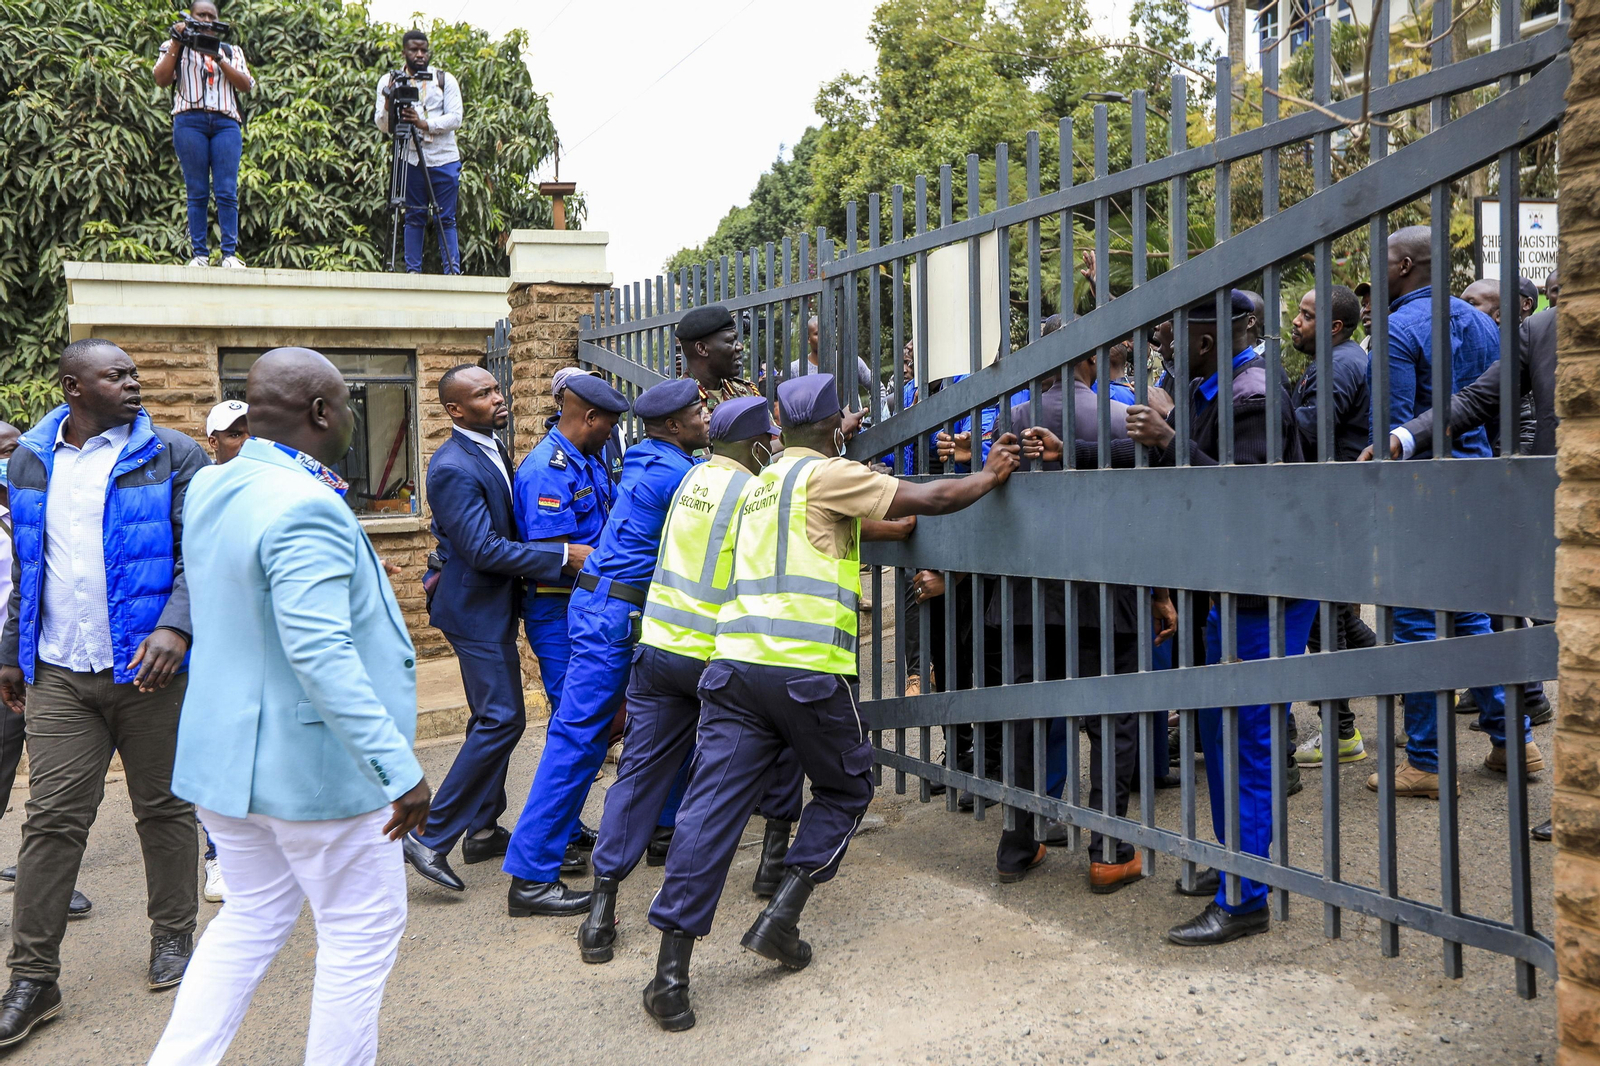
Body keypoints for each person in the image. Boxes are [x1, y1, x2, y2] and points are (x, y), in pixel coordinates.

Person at [641, 374, 1021, 1032]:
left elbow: (823, 536)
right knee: (847, 789)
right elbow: (929, 496)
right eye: (842, 421)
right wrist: (988, 477)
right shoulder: (828, 473)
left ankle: (670, 977)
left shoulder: (760, 485)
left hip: (734, 672)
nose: (848, 426)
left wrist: (881, 533)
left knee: (708, 813)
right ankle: (782, 915)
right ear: (829, 429)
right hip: (805, 674)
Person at [149, 347, 432, 1066]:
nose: (349, 421)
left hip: (226, 762)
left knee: (249, 918)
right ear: (321, 413)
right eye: (347, 408)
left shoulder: (217, 485)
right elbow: (319, 652)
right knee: (359, 934)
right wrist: (398, 768)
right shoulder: (307, 503)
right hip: (315, 771)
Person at [0, 340, 207, 1049]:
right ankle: (32, 979)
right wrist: (9, 655)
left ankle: (174, 935)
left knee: (164, 808)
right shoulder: (29, 458)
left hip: (149, 673)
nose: (133, 381)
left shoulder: (174, 455)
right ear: (73, 387)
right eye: (115, 374)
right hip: (59, 673)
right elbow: (30, 565)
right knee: (50, 821)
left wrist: (177, 627)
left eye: (132, 371)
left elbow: (200, 555)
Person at [578, 397, 808, 964]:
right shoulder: (755, 493)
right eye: (770, 440)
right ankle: (770, 865)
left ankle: (600, 910)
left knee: (638, 775)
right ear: (757, 446)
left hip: (657, 648)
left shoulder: (689, 479)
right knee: (770, 746)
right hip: (713, 656)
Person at [1125, 292, 1312, 947]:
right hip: (1230, 591)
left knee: (1248, 741)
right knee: (1222, 735)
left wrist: (1171, 438)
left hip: (1261, 596)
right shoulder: (1215, 385)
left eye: (1174, 336)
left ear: (1206, 340)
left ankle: (1246, 900)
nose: (1164, 346)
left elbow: (1248, 498)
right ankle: (1238, 866)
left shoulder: (1251, 395)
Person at [502, 378, 710, 917]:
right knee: (579, 739)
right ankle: (529, 875)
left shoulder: (642, 456)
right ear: (672, 424)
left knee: (659, 721)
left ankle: (662, 829)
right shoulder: (676, 474)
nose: (706, 414)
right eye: (698, 409)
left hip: (610, 607)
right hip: (609, 614)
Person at [1361, 226, 1536, 798]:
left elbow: (1391, 431)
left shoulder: (1396, 327)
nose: (1374, 276)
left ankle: (1428, 765)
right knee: (1471, 617)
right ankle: (1515, 740)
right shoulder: (1485, 322)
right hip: (1479, 487)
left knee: (1417, 626)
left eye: (1381, 264)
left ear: (1406, 264)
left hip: (1421, 494)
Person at [992, 346, 1174, 892]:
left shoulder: (1013, 420)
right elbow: (1147, 510)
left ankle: (1017, 845)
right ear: (1090, 364)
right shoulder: (1121, 416)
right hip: (1105, 591)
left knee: (1025, 715)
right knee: (1113, 721)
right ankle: (1108, 851)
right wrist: (1160, 593)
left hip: (1027, 593)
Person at [400, 366, 575, 893]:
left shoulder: (489, 446)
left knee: (489, 717)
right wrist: (562, 555)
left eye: (497, 389)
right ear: (455, 410)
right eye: (483, 394)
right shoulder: (453, 464)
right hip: (473, 610)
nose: (499, 398)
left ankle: (482, 828)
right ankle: (430, 836)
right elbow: (480, 548)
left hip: (490, 605)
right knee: (502, 719)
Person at [0, 425, 89, 919]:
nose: (16, 456)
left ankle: (49, 888)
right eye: (6, 451)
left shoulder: (45, 506)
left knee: (52, 792)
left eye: (17, 448)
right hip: (5, 667)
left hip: (48, 666)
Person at [1285, 285, 1371, 770]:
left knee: (1323, 615)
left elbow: (1316, 428)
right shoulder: (1337, 358)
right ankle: (1405, 678)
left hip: (1333, 504)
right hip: (1336, 502)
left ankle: (1341, 732)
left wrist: (1265, 410)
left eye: (1305, 314)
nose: (1296, 321)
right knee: (1333, 614)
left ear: (1333, 326)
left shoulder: (1339, 363)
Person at [154, 0, 254, 268]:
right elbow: (161, 78)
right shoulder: (175, 47)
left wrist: (218, 58)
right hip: (190, 121)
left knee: (226, 190)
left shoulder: (231, 51)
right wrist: (177, 40)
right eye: (201, 15)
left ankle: (229, 255)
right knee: (197, 190)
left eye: (212, 16)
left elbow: (245, 85)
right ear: (191, 16)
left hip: (225, 124)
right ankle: (200, 255)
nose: (207, 21)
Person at [198, 399, 251, 904]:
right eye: (233, 434)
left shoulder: (276, 487)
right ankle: (218, 857)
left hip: (262, 646)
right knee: (220, 757)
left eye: (250, 432)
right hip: (215, 645)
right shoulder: (201, 490)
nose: (243, 442)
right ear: (211, 441)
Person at [374, 30, 463, 274]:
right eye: (414, 50)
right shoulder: (389, 81)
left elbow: (456, 118)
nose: (420, 54)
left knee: (446, 219)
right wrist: (387, 101)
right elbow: (383, 125)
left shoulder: (445, 79)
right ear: (404, 52)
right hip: (410, 157)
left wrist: (423, 123)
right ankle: (413, 274)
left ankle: (453, 274)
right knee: (413, 217)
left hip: (444, 159)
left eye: (424, 49)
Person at [795, 316, 889, 419]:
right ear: (808, 339)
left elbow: (878, 389)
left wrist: (875, 421)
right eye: (817, 334)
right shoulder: (796, 369)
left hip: (854, 431)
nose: (823, 337)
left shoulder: (849, 360)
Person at [678, 305, 763, 410]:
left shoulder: (746, 392)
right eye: (731, 341)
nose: (740, 347)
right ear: (702, 349)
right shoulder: (677, 403)